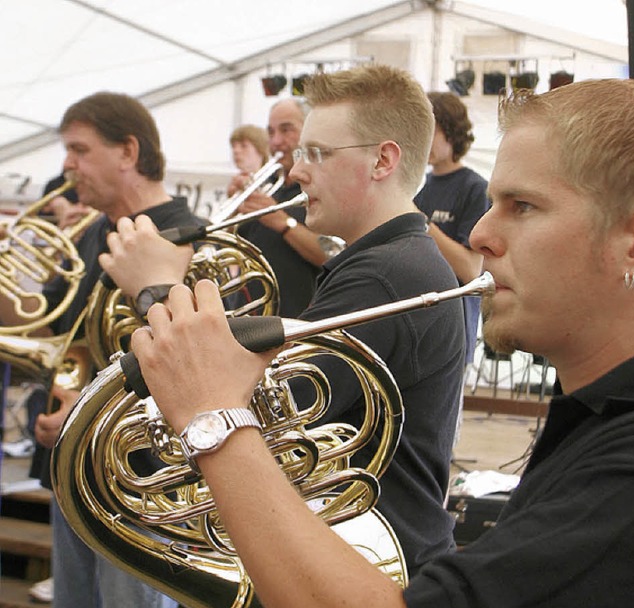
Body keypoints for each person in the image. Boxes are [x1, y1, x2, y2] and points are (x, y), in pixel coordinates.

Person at [131, 76, 634, 608]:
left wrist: (212, 410)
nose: (479, 234)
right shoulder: (599, 418)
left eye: (522, 206)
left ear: (633, 244)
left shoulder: (627, 461)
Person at [110, 64, 465, 578]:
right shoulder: (387, 263)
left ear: (383, 160)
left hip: (375, 570)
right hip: (362, 560)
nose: (298, 172)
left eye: (317, 154)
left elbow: (246, 415)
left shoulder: (386, 276)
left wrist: (159, 290)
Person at [27, 91, 204, 608]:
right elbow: (55, 332)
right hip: (74, 468)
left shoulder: (188, 237)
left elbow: (197, 367)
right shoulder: (89, 235)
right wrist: (65, 412)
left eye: (80, 149)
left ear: (128, 150)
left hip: (141, 479)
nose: (68, 165)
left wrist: (87, 413)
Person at [229, 98, 327, 317]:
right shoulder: (267, 185)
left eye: (286, 130)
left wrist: (283, 223)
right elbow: (231, 248)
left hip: (296, 323)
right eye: (271, 132)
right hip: (250, 317)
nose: (276, 142)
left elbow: (332, 255)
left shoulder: (324, 188)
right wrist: (235, 208)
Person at [413, 91, 488, 367]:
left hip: (454, 330)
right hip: (420, 325)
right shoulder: (421, 187)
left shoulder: (475, 188)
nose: (424, 139)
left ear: (453, 133)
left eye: (431, 130)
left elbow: (470, 268)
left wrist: (421, 222)